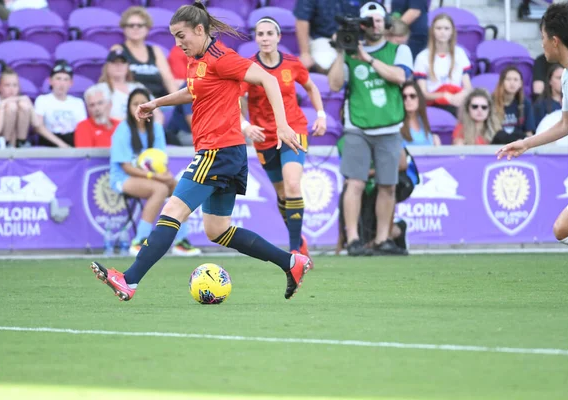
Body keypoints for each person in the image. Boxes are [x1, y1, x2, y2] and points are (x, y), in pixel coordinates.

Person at [89, 2, 311, 302]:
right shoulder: (198, 60)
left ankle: (129, 280)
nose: (178, 43)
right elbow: (192, 90)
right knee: (217, 230)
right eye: (174, 37)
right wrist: (156, 103)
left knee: (172, 211)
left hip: (217, 150)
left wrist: (283, 126)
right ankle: (291, 262)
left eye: (182, 36)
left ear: (199, 29)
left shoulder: (222, 58)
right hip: (227, 152)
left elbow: (269, 79)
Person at [497, 3, 568, 246]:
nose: (541, 44)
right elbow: (566, 125)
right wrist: (526, 143)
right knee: (563, 231)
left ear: (555, 40)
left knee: (563, 229)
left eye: (543, 37)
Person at [328, 1, 412, 256]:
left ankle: (382, 239)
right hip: (358, 127)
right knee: (355, 183)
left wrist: (367, 58)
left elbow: (400, 77)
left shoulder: (399, 50)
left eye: (379, 20)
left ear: (386, 23)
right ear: (362, 25)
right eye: (369, 21)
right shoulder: (351, 51)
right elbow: (333, 85)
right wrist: (342, 50)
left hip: (389, 127)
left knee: (388, 185)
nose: (375, 25)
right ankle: (353, 240)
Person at [240, 16, 326, 260]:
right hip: (263, 136)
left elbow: (311, 87)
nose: (265, 38)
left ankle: (295, 251)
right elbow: (237, 99)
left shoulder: (292, 63)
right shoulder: (249, 67)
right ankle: (299, 240)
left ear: (278, 37)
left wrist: (321, 115)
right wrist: (245, 125)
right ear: (256, 38)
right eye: (260, 34)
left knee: (292, 185)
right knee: (281, 194)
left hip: (293, 130)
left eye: (270, 33)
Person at [109, 88, 201, 257]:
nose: (139, 107)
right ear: (129, 107)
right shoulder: (123, 129)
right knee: (159, 189)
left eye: (142, 103)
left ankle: (181, 241)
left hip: (153, 177)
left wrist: (165, 175)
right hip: (123, 178)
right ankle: (140, 240)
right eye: (135, 104)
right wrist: (156, 176)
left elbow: (160, 160)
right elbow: (126, 167)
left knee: (181, 188)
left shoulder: (156, 129)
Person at [413, 14, 472, 117]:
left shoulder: (460, 53)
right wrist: (444, 95)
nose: (442, 32)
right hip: (434, 105)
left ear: (452, 31)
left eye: (446, 28)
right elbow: (423, 93)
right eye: (438, 28)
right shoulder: (422, 57)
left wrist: (459, 95)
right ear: (432, 31)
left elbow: (468, 87)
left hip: (457, 103)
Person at [293, 0, 374, 73]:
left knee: (373, 62)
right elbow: (302, 19)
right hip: (324, 39)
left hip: (357, 38)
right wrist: (305, 53)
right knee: (325, 63)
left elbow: (374, 14)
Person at [115, 6, 178, 98]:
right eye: (131, 25)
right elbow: (116, 82)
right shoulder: (118, 49)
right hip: (132, 103)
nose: (135, 28)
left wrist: (179, 103)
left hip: (159, 102)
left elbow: (168, 79)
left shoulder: (155, 51)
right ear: (124, 28)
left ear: (147, 29)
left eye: (140, 25)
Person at [94, 49, 163, 124]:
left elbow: (157, 114)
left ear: (127, 66)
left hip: (143, 130)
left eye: (122, 62)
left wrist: (155, 129)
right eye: (114, 62)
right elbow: (100, 117)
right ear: (107, 66)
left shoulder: (138, 86)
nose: (119, 66)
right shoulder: (99, 90)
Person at [34, 61, 86, 147]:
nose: (62, 83)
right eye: (58, 79)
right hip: (49, 142)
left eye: (66, 79)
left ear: (71, 83)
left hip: (72, 141)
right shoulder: (42, 100)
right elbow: (38, 127)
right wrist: (62, 145)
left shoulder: (78, 103)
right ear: (50, 81)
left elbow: (82, 128)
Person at [0, 67, 33, 148]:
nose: (12, 89)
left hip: (16, 138)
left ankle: (21, 143)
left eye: (15, 85)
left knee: (23, 105)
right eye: (7, 85)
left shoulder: (22, 101)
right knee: (11, 106)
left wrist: (29, 104)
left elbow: (37, 124)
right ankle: (7, 143)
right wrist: (3, 104)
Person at [491, 66, 536, 144]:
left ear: (520, 84)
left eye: (515, 80)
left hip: (518, 145)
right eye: (508, 79)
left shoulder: (525, 103)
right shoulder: (491, 101)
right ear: (501, 82)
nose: (512, 83)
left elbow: (529, 133)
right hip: (496, 144)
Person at [400, 80, 440, 146]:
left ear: (419, 98)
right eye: (404, 97)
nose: (408, 99)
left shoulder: (423, 120)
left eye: (412, 96)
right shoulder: (398, 124)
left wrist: (435, 138)